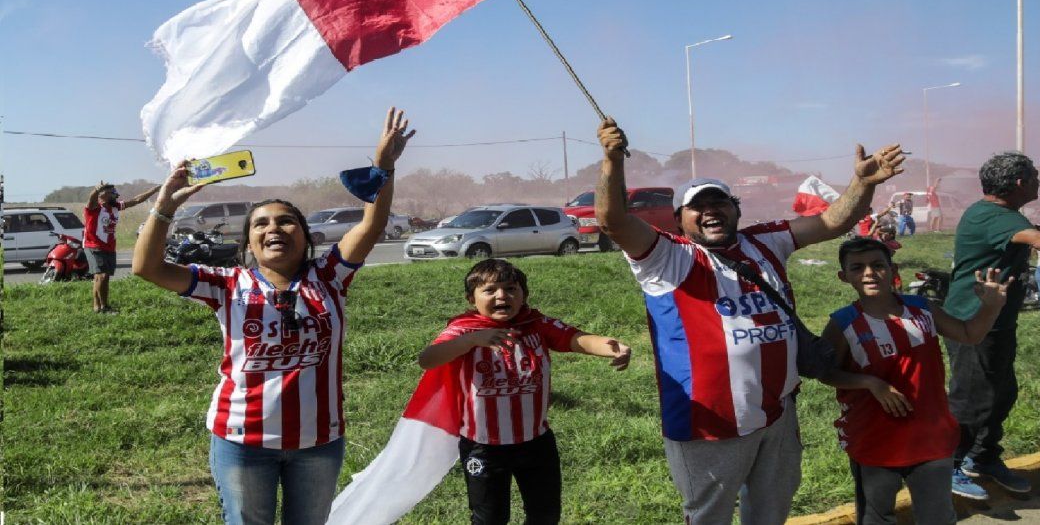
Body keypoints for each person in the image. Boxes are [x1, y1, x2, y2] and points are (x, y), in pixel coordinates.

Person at [594, 118, 905, 525]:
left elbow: (834, 222)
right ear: (679, 219)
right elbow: (613, 221)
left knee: (771, 511)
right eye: (698, 206)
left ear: (736, 209)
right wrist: (612, 161)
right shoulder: (665, 257)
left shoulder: (766, 241)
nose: (710, 211)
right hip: (708, 424)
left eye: (720, 202)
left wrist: (863, 183)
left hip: (777, 412)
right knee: (709, 517)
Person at [132, 107, 414, 525]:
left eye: (286, 221)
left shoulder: (330, 275)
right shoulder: (226, 284)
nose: (274, 229)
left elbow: (371, 226)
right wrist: (163, 208)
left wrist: (384, 166)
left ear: (305, 234)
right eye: (261, 224)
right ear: (249, 241)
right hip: (241, 440)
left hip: (318, 442)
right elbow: (147, 268)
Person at [417, 258, 631, 525]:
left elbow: (574, 338)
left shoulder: (536, 324)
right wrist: (471, 341)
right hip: (483, 446)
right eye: (490, 290)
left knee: (545, 515)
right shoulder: (464, 330)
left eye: (510, 289)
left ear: (524, 295)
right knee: (490, 518)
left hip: (536, 441)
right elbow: (427, 359)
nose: (501, 296)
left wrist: (609, 346)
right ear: (471, 298)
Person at [819, 237, 1010, 524]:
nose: (869, 273)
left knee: (936, 517)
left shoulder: (923, 308)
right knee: (876, 517)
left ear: (893, 269)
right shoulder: (842, 324)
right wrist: (871, 383)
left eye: (877, 265)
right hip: (874, 440)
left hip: (931, 438)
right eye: (857, 267)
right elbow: (825, 373)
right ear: (844, 277)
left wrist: (991, 306)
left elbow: (970, 334)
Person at [944, 152, 1040, 499]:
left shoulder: (1003, 214)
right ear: (1020, 183)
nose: (1039, 182)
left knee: (1001, 394)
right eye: (1035, 177)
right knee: (971, 399)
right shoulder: (992, 215)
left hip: (996, 321)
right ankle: (948, 465)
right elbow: (1038, 241)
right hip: (972, 322)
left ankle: (982, 458)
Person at [84, 180, 160, 313]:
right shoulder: (94, 209)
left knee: (102, 277)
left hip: (109, 246)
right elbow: (91, 199)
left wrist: (154, 190)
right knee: (102, 276)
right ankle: (103, 307)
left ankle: (98, 306)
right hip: (94, 245)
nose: (116, 196)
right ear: (104, 195)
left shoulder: (116, 207)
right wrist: (96, 190)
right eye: (113, 193)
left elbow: (136, 200)